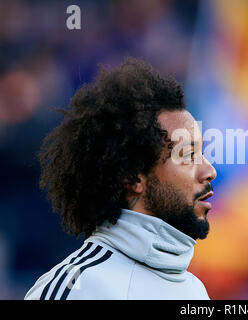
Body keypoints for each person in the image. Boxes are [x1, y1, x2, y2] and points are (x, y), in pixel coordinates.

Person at [24, 58, 217, 300]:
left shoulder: (195, 291)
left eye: (202, 153)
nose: (209, 170)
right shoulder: (78, 288)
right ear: (132, 177)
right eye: (188, 155)